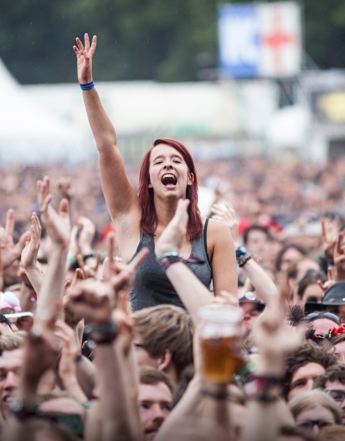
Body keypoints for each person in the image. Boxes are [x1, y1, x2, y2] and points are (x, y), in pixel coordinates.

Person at [73, 34, 237, 311]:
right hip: (141, 350)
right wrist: (87, 85)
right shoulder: (131, 221)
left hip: (192, 349)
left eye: (176, 160)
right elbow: (107, 148)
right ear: (148, 181)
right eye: (158, 162)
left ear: (191, 176)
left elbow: (229, 307)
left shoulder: (215, 233)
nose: (168, 165)